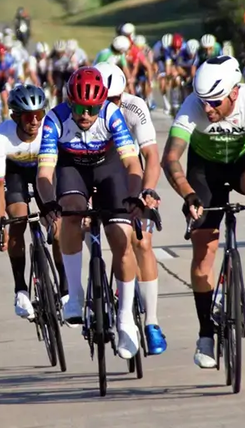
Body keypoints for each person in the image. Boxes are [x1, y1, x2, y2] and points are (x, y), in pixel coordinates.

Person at [159, 55, 245, 369]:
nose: (207, 109)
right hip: (205, 170)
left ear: (234, 93)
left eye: (214, 102)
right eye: (203, 101)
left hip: (244, 160)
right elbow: (170, 158)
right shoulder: (192, 106)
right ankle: (205, 333)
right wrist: (187, 194)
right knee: (203, 254)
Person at [37, 67, 146, 359]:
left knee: (120, 235)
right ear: (68, 102)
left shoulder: (112, 114)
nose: (85, 115)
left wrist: (134, 196)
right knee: (70, 214)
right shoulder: (54, 120)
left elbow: (132, 165)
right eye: (79, 108)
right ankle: (74, 294)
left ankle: (125, 318)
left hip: (108, 168)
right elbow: (45, 173)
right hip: (72, 168)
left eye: (92, 109)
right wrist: (48, 203)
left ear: (101, 104)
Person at [95, 62, 167, 355]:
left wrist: (147, 191)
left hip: (129, 173)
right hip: (96, 173)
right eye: (103, 100)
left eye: (114, 100)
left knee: (142, 242)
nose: (108, 106)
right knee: (112, 239)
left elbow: (151, 156)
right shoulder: (83, 107)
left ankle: (152, 322)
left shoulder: (134, 107)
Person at [0, 85, 69, 319]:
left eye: (39, 114)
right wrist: (1, 224)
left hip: (43, 171)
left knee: (58, 227)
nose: (35, 121)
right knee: (18, 220)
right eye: (28, 116)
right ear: (15, 116)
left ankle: (65, 290)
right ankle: (21, 290)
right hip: (14, 174)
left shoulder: (50, 129)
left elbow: (63, 169)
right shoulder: (2, 136)